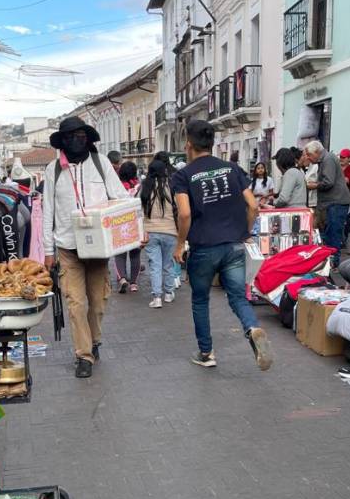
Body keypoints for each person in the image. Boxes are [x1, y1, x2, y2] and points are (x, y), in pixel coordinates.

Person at [171, 120, 272, 370]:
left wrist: (180, 244)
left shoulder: (183, 175)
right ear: (212, 143)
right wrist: (245, 231)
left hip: (204, 246)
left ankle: (206, 353)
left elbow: (184, 214)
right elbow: (253, 205)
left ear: (189, 145)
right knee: (238, 296)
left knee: (200, 300)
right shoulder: (232, 169)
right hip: (234, 245)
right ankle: (252, 327)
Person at [43, 117, 128, 378]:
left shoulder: (101, 164)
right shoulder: (53, 169)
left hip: (99, 249)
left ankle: (94, 339)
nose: (75, 140)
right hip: (68, 248)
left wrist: (129, 231)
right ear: (62, 142)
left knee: (98, 303)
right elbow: (48, 211)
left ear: (87, 138)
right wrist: (48, 251)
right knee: (76, 303)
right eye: (69, 136)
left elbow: (121, 199)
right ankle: (84, 355)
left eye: (80, 135)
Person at [305, 140, 350, 267]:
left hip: (336, 201)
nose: (307, 157)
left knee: (333, 233)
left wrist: (312, 185)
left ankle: (333, 262)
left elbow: (328, 182)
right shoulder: (324, 159)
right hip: (332, 202)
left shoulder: (328, 159)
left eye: (309, 154)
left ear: (316, 152)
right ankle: (331, 260)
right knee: (330, 232)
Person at [141, 156, 177, 308]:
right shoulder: (172, 186)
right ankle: (169, 294)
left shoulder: (145, 188)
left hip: (151, 231)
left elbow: (140, 212)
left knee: (155, 265)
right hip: (170, 231)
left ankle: (157, 298)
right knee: (168, 264)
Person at [114, 160, 141, 293]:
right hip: (135, 224)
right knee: (135, 254)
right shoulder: (139, 186)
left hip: (119, 224)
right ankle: (134, 283)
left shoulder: (116, 187)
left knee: (119, 254)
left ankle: (122, 279)